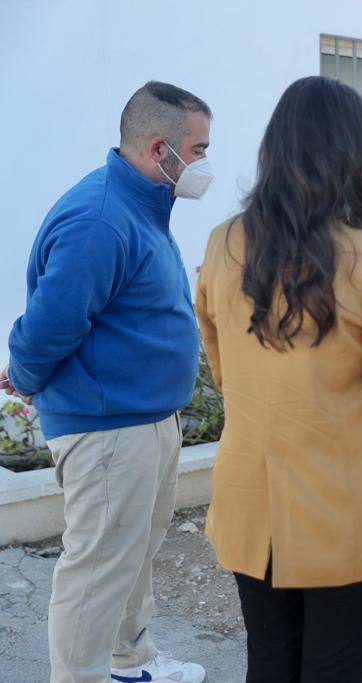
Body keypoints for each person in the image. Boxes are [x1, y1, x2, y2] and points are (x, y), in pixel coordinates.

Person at [194, 76, 362, 682]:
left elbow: (217, 353)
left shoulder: (223, 244)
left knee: (269, 662)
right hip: (342, 499)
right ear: (349, 157)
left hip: (251, 497)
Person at [2, 81, 211, 683]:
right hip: (109, 429)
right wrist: (24, 374)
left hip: (146, 421)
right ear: (157, 149)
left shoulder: (139, 205)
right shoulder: (100, 218)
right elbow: (50, 323)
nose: (202, 163)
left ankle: (128, 665)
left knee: (130, 559)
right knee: (96, 571)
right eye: (196, 150)